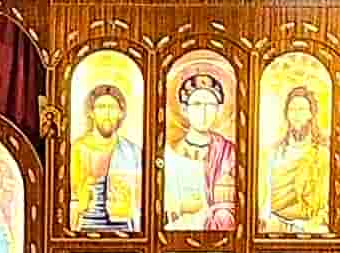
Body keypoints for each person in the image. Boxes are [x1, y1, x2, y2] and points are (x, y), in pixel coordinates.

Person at [160, 66, 241, 230]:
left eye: (210, 104)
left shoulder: (229, 153)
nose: (204, 111)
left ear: (219, 110)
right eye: (197, 104)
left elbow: (233, 205)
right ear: (184, 109)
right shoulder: (169, 153)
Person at [68, 82, 140, 232]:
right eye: (101, 107)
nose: (107, 114)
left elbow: (140, 197)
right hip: (86, 226)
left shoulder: (132, 152)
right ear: (91, 112)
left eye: (112, 108)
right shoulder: (78, 149)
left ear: (121, 113)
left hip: (123, 227)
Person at [262, 83, 332, 234]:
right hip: (275, 224)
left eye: (301, 110)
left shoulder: (322, 154)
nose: (296, 115)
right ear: (286, 114)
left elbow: (327, 202)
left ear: (311, 114)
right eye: (292, 109)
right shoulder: (274, 152)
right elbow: (265, 196)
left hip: (309, 226)